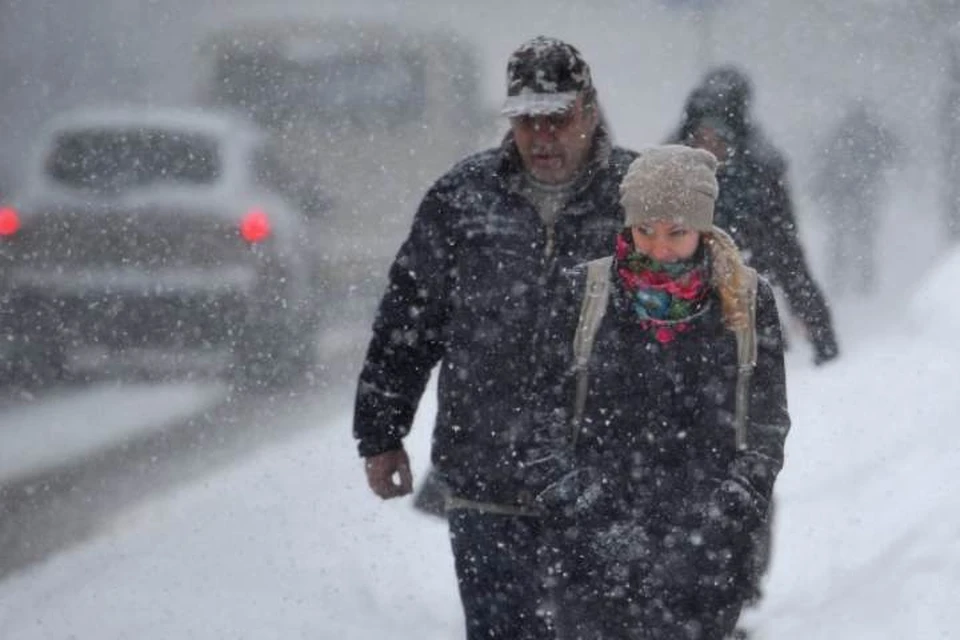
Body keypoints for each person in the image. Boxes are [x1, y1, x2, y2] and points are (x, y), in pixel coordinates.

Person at [353, 36, 638, 640]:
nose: (541, 137)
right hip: (487, 478)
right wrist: (380, 432)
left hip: (605, 484)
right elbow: (408, 321)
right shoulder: (462, 200)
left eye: (556, 119)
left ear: (588, 111)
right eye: (526, 120)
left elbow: (689, 335)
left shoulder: (637, 202)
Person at [523, 145, 791, 639]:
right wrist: (589, 519)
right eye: (645, 230)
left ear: (703, 231)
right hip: (589, 557)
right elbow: (542, 421)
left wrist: (721, 518)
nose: (659, 249)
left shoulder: (748, 301)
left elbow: (766, 426)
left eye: (677, 233)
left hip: (706, 562)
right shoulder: (584, 293)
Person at [670, 65, 840, 366]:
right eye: (701, 138)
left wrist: (820, 335)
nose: (708, 148)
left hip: (744, 313)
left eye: (717, 140)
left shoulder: (762, 175)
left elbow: (789, 260)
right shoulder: (668, 172)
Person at [812, 99, 901, 295]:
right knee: (862, 237)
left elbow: (825, 164)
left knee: (842, 237)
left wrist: (821, 190)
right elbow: (892, 152)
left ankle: (843, 278)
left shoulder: (843, 136)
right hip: (861, 194)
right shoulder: (871, 136)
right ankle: (863, 279)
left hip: (843, 193)